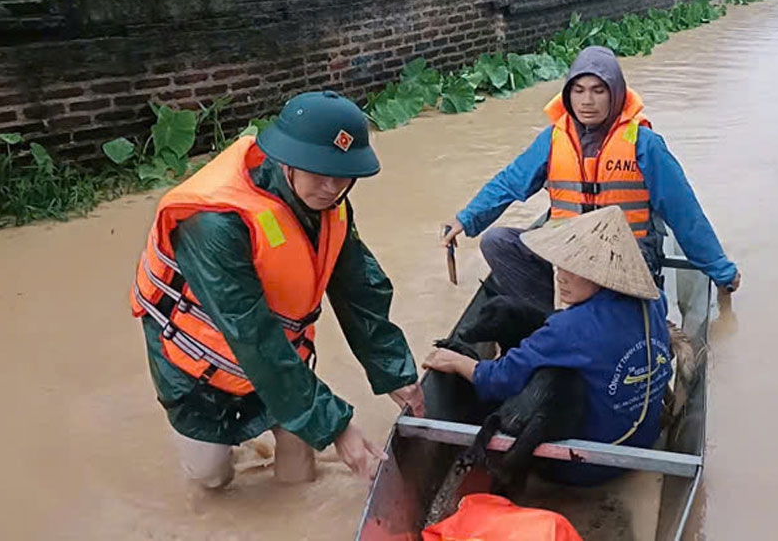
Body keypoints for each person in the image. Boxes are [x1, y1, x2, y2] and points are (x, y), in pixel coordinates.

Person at [130, 90, 425, 489]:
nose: (331, 187)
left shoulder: (332, 202)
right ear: (288, 160)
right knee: (212, 480)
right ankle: (230, 448)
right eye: (319, 171)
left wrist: (396, 373)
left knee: (300, 472)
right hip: (197, 367)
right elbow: (251, 334)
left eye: (343, 175)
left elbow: (361, 289)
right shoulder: (214, 224)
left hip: (280, 358)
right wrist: (337, 427)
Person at [439, 45, 741, 313]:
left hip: (625, 256)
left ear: (616, 93)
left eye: (598, 91)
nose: (587, 101)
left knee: (615, 310)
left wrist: (721, 271)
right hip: (568, 252)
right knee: (497, 242)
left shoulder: (644, 143)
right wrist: (466, 219)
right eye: (579, 90)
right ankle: (550, 320)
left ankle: (605, 323)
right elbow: (510, 182)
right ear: (567, 95)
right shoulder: (554, 139)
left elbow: (683, 212)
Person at [423, 206, 672, 486]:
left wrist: (458, 361)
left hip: (587, 466)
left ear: (603, 276)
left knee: (536, 380)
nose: (560, 277)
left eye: (574, 270)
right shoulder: (655, 299)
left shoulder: (570, 327)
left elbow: (498, 379)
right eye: (560, 266)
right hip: (643, 440)